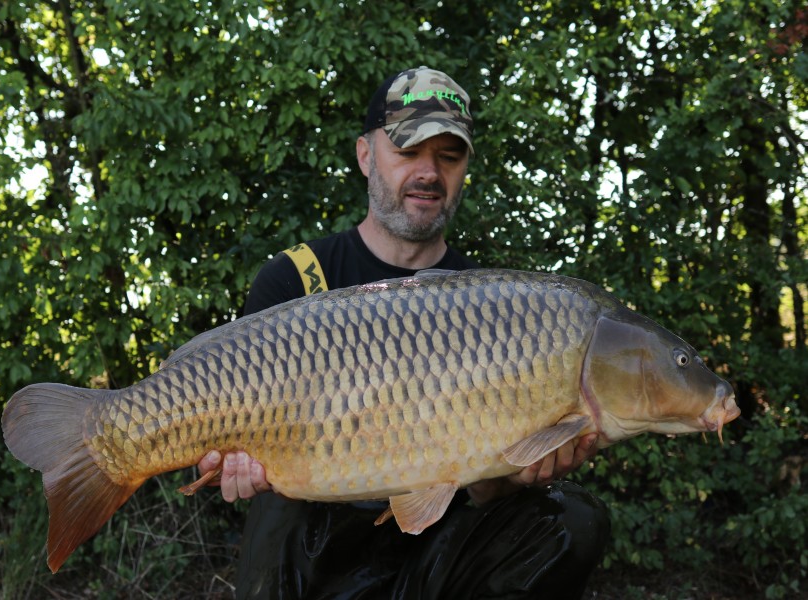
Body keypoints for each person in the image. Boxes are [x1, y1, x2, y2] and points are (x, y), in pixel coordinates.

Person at [197, 66, 610, 599]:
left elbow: (483, 486)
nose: (428, 172)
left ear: (464, 169)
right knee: (281, 504)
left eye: (448, 156)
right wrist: (235, 463)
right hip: (316, 555)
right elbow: (241, 456)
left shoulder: (490, 305)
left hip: (433, 561)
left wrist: (518, 475)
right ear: (366, 154)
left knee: (570, 517)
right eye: (408, 151)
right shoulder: (297, 278)